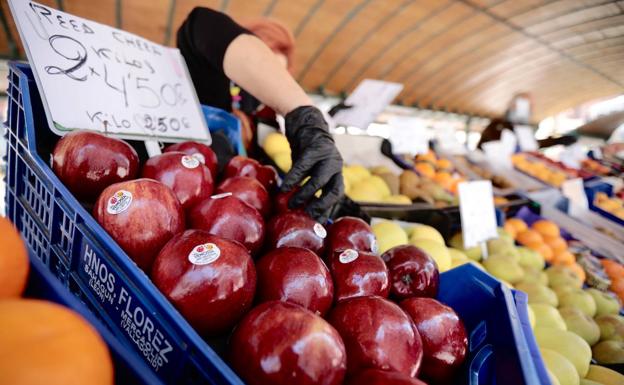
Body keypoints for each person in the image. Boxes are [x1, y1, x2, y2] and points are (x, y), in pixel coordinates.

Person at [177, 8, 343, 222]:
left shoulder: (265, 120)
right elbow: (201, 22)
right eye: (266, 73)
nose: (265, 89)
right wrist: (304, 115)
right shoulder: (210, 87)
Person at [477, 93, 577, 149]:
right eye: (524, 104)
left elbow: (530, 145)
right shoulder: (498, 125)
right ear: (512, 105)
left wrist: (556, 141)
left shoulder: (522, 128)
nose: (529, 109)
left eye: (530, 106)